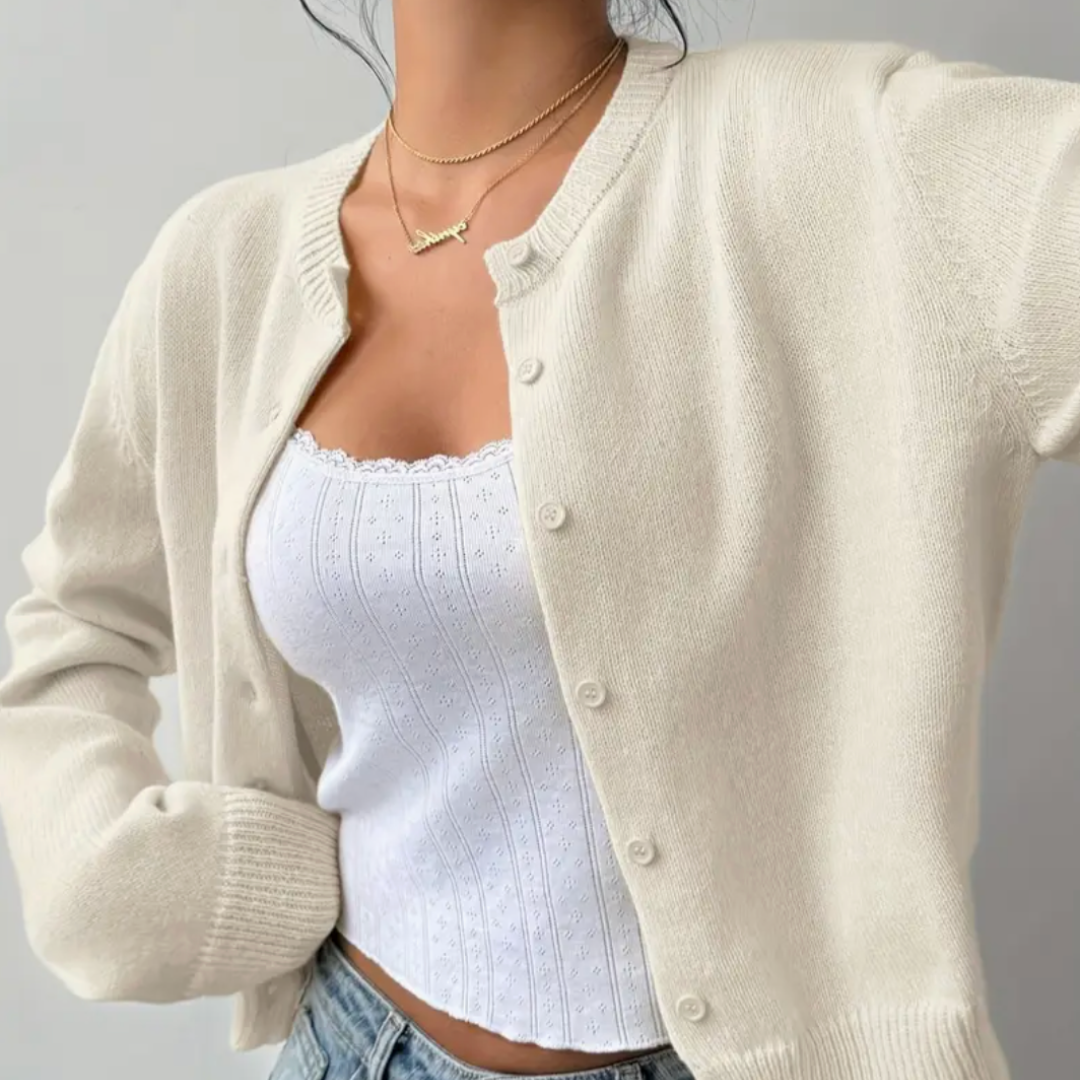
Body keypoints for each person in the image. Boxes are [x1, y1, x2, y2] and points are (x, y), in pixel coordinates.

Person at [0, 1, 1077, 1079]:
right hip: (349, 1043)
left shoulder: (859, 154)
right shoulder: (226, 265)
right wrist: (131, 884)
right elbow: (73, 626)